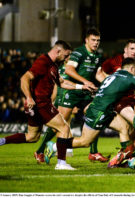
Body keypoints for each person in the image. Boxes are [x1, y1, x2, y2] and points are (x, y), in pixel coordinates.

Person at [0, 40, 92, 170]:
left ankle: (2, 141)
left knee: (32, 137)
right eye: (66, 55)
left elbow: (62, 83)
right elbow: (24, 78)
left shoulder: (53, 66)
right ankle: (61, 163)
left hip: (36, 105)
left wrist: (82, 87)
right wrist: (29, 97)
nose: (67, 58)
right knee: (64, 128)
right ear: (58, 51)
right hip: (41, 103)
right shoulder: (43, 61)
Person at [44, 58, 135, 167]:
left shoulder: (112, 76)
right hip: (99, 112)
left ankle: (129, 158)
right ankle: (54, 147)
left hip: (103, 110)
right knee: (85, 142)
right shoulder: (130, 77)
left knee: (124, 127)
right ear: (132, 68)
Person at [35, 28, 109, 163]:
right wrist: (85, 81)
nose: (96, 43)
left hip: (86, 92)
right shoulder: (78, 53)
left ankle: (93, 152)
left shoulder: (97, 56)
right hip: (71, 92)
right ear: (86, 40)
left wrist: (111, 82)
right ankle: (40, 150)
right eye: (93, 40)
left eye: (98, 40)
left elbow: (99, 74)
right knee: (60, 124)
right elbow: (69, 70)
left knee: (95, 116)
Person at [96, 39, 135, 166]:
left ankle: (125, 155)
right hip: (118, 101)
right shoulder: (114, 61)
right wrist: (108, 86)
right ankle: (132, 155)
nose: (134, 52)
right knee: (134, 124)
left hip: (132, 100)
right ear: (125, 49)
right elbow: (98, 73)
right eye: (132, 49)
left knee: (129, 128)